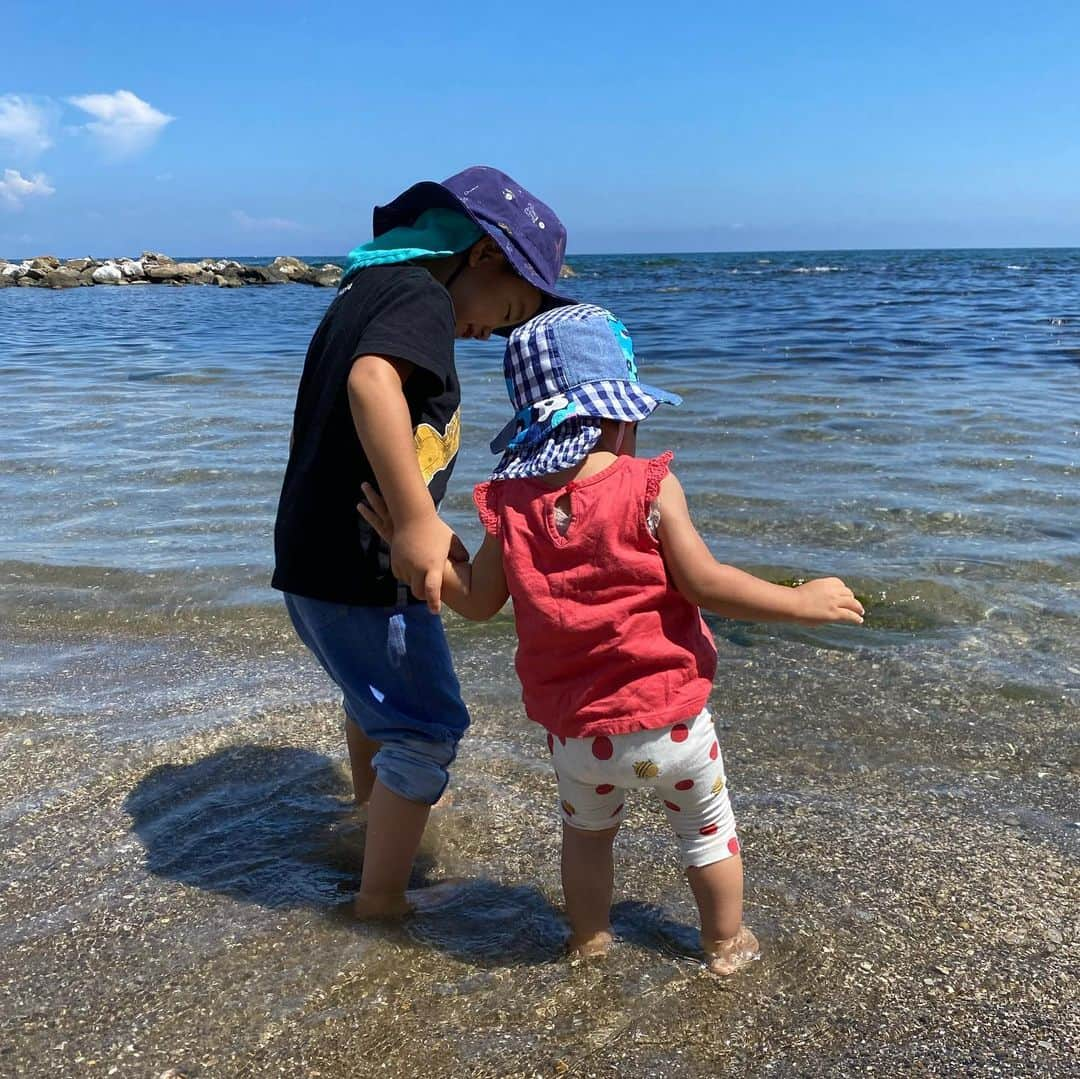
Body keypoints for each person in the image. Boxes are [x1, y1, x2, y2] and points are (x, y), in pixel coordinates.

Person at [360, 304, 865, 972]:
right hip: (674, 727)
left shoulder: (511, 504)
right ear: (617, 413)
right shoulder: (649, 485)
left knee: (589, 839)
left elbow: (477, 601)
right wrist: (798, 603)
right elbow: (705, 582)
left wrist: (412, 540)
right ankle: (724, 942)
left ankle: (588, 939)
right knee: (708, 836)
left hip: (580, 739)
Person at [272, 166, 573, 919]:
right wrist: (414, 519)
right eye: (508, 309)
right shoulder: (419, 294)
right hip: (362, 567)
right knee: (427, 727)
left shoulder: (370, 289)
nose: (494, 332)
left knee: (376, 705)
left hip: (319, 562)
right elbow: (372, 383)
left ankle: (371, 821)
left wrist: (422, 525)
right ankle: (381, 899)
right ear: (483, 255)